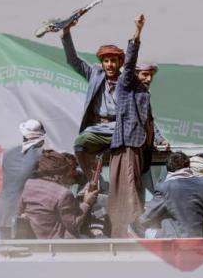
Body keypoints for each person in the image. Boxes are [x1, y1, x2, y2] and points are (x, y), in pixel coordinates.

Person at [61, 18, 168, 181]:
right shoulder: (95, 75)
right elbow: (73, 60)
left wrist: (159, 139)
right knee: (80, 143)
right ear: (102, 63)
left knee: (127, 163)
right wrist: (66, 32)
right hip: (98, 129)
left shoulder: (128, 83)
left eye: (113, 61)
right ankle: (93, 181)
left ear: (120, 63)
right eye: (106, 61)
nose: (110, 65)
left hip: (121, 130)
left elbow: (145, 117)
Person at [107, 13, 167, 238]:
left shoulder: (143, 94)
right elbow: (130, 60)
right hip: (128, 144)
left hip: (140, 147)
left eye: (151, 75)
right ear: (134, 74)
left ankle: (132, 226)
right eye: (144, 74)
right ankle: (134, 226)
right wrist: (138, 31)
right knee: (129, 185)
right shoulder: (126, 85)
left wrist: (160, 140)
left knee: (135, 187)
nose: (148, 79)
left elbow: (150, 122)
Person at [137, 152, 203, 238]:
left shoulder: (165, 187)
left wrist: (135, 221)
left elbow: (146, 218)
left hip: (176, 237)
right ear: (188, 166)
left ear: (168, 169)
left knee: (144, 230)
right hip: (202, 236)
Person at [18, 150, 99, 239]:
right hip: (59, 244)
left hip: (36, 241)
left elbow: (20, 211)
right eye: (66, 170)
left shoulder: (29, 184)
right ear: (59, 173)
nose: (73, 173)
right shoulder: (63, 193)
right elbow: (74, 224)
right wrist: (87, 203)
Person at [0, 119, 47, 239]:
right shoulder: (41, 155)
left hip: (3, 211)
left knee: (6, 247)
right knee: (27, 248)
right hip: (25, 212)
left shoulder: (8, 154)